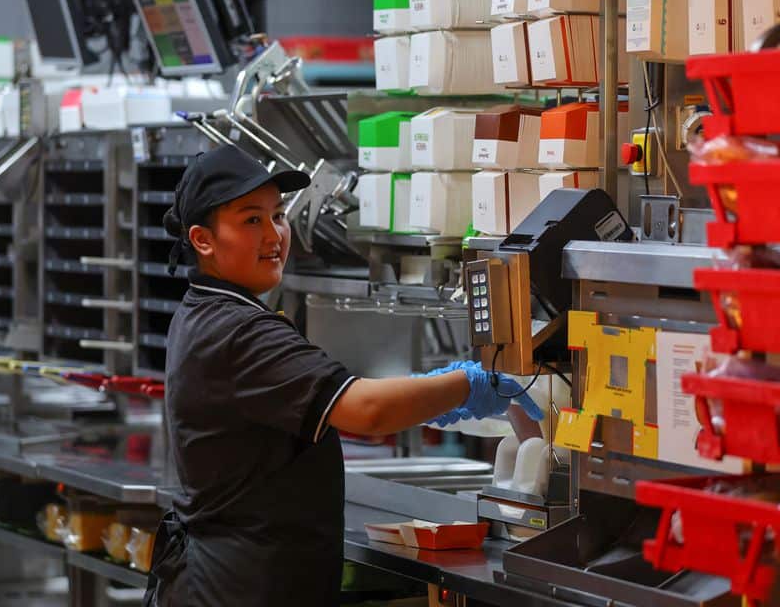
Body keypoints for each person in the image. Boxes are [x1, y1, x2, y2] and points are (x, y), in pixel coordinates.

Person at [152, 145, 543, 607]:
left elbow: (340, 399)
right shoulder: (237, 330)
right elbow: (366, 410)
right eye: (250, 219)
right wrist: (471, 382)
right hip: (236, 587)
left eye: (277, 215)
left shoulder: (209, 310)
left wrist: (436, 392)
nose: (274, 234)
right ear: (202, 240)